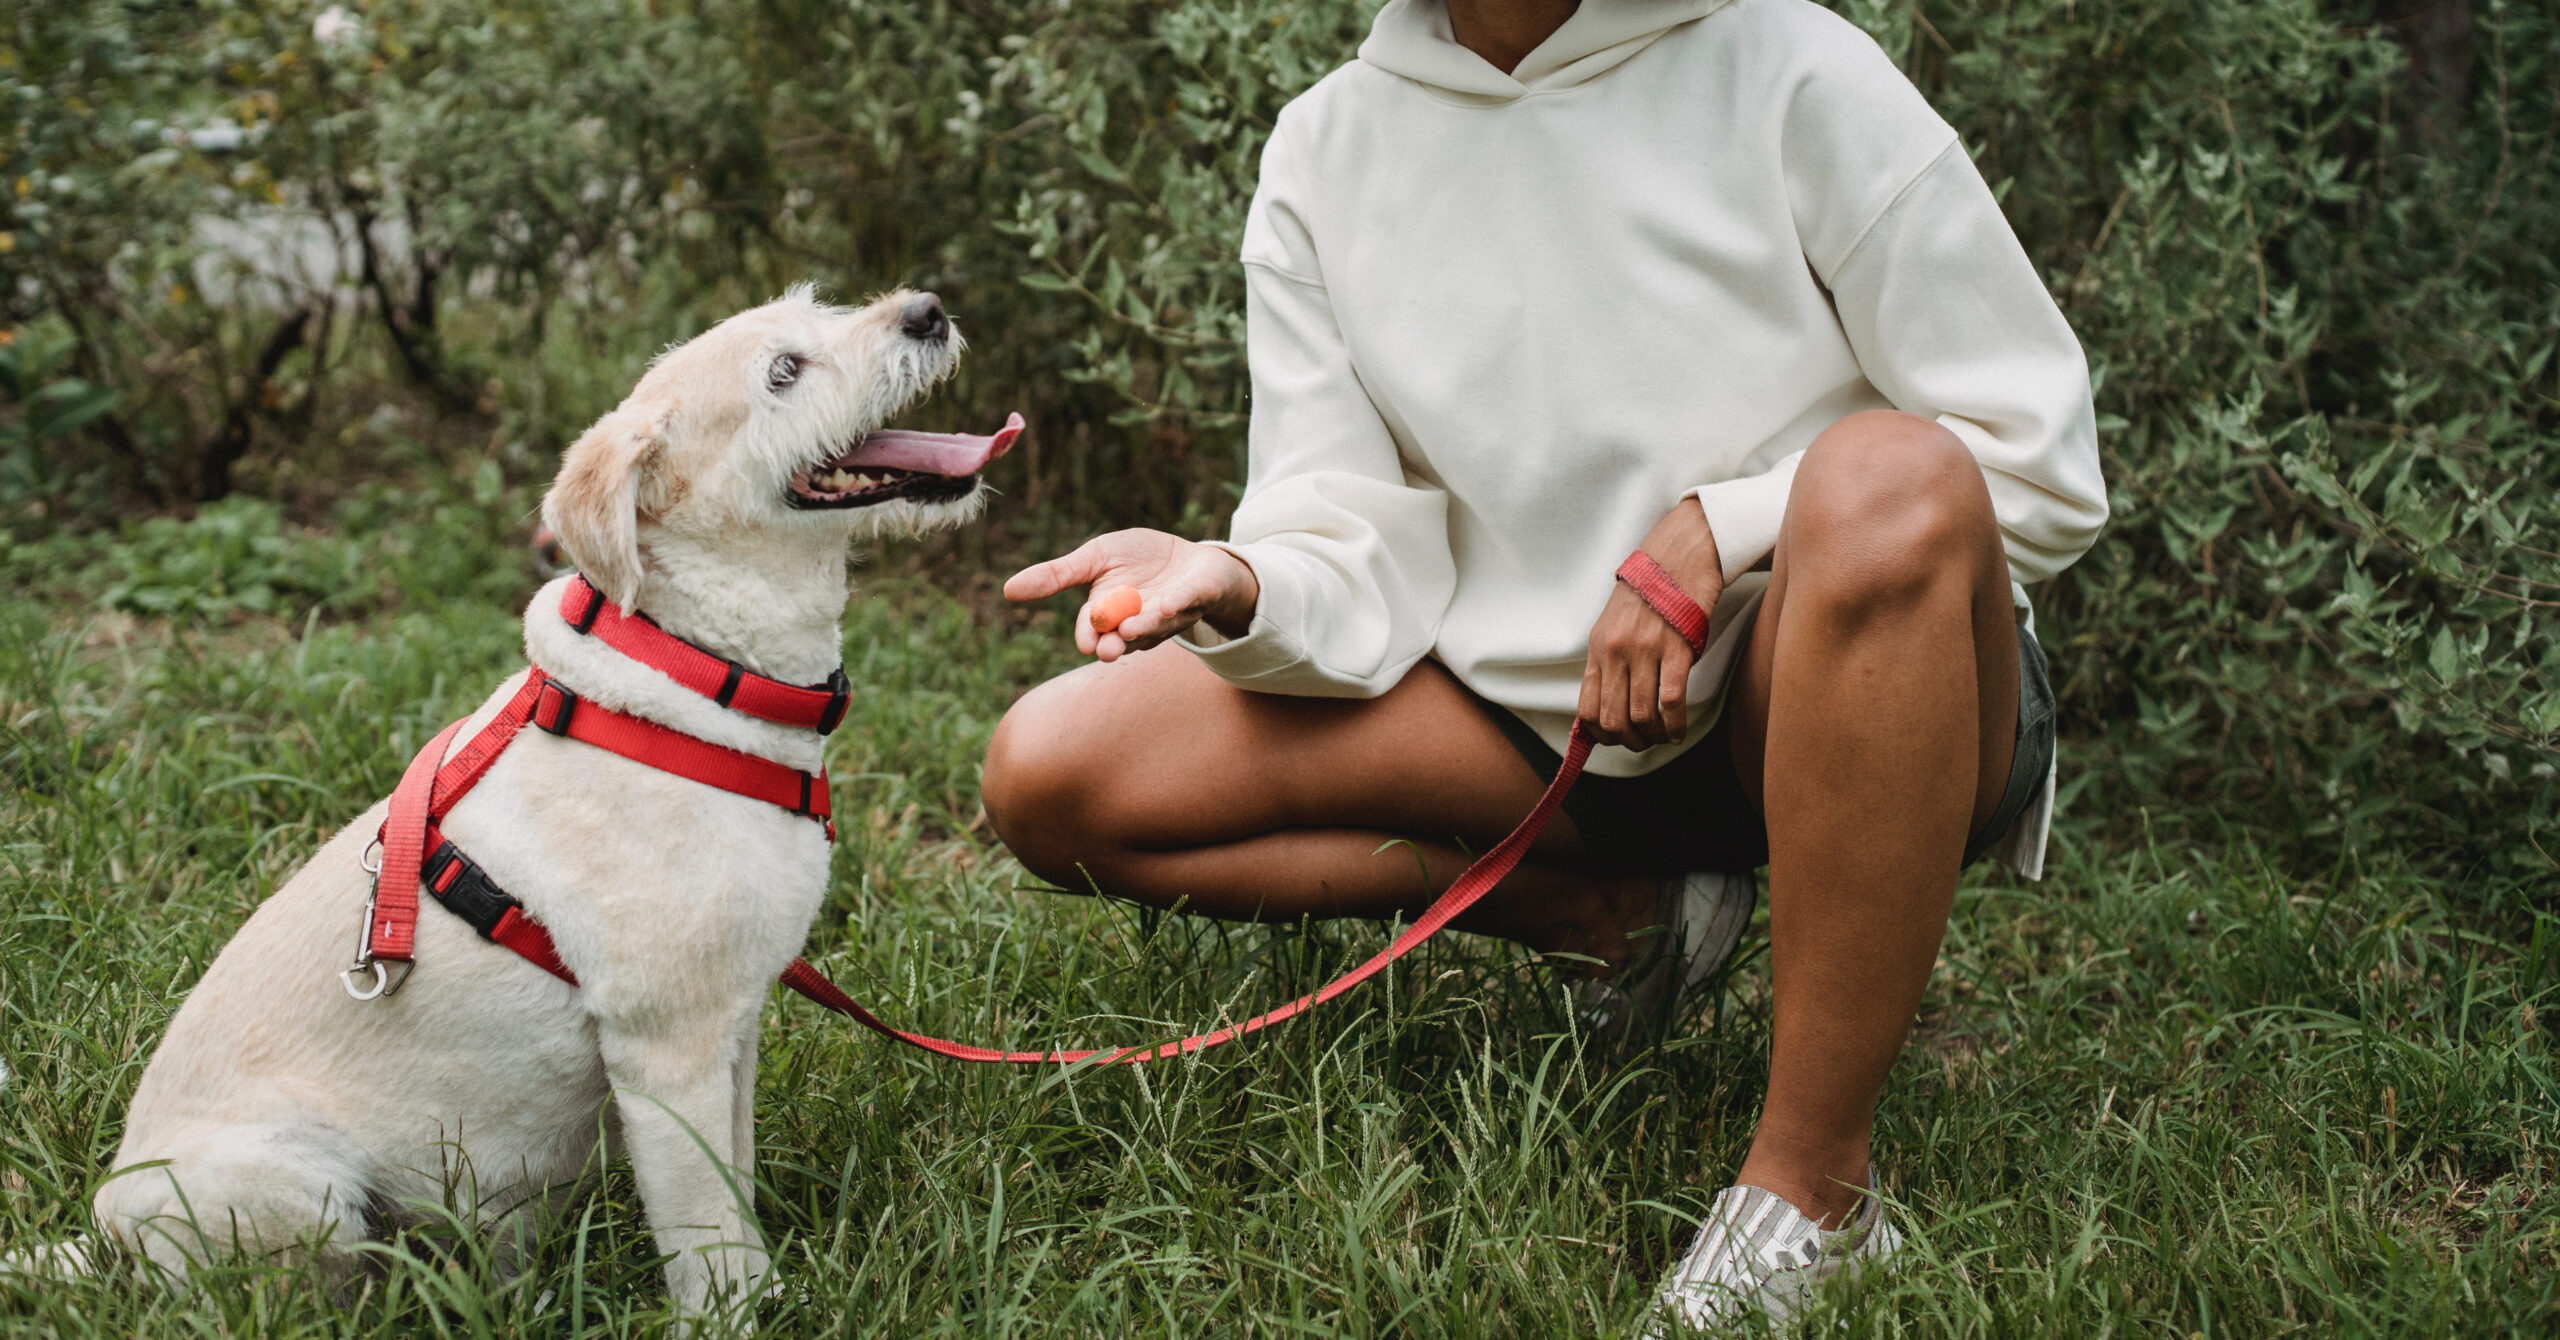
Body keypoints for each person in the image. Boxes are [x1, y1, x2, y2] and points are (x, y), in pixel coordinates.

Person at [982, 0, 2105, 1325]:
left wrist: (1722, 533)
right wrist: (1241, 578)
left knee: (1887, 474)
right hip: (1548, 733)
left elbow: (2030, 456)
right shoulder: (1328, 148)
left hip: (1855, 693)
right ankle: (1622, 921)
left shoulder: (1791, 63)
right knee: (1052, 773)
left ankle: (1814, 1191)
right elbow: (1347, 535)